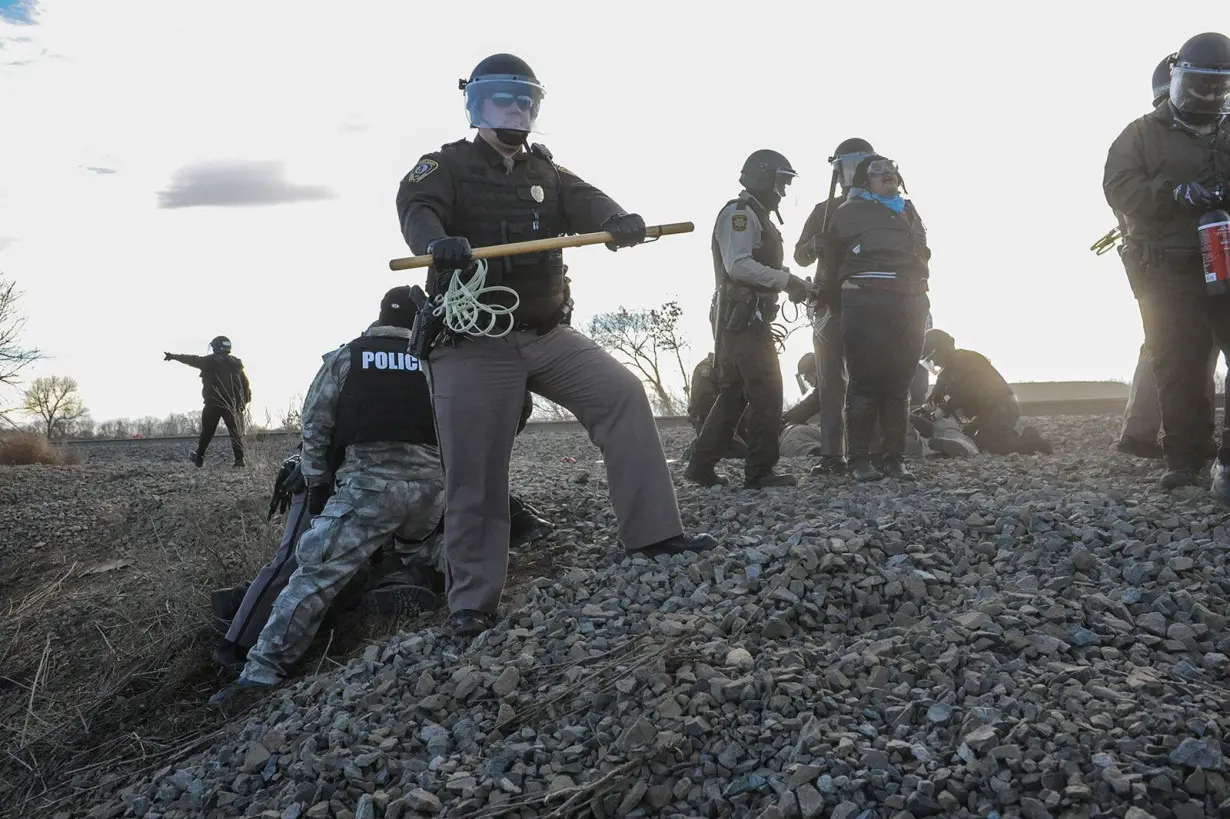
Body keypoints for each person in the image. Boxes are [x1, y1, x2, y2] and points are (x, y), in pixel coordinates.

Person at [395, 53, 717, 638]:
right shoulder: (441, 166)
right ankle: (472, 598)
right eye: (502, 99)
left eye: (525, 100)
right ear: (476, 104)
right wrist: (436, 242)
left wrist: (621, 221)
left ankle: (654, 533)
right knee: (475, 468)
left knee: (621, 394)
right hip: (471, 343)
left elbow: (588, 200)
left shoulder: (545, 171)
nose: (515, 110)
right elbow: (416, 210)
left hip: (547, 335)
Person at [209, 287, 453, 704]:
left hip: (367, 493)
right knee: (427, 550)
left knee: (314, 575)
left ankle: (260, 672)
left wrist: (318, 482)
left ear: (378, 317)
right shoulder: (439, 359)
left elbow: (315, 426)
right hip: (433, 493)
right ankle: (465, 609)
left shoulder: (347, 356)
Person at [1104, 31, 1230, 495]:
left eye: (1219, 87)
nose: (1209, 94)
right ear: (1178, 80)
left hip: (1226, 261)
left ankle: (1229, 461)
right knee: (1178, 364)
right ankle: (1184, 458)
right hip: (1167, 269)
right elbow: (1119, 187)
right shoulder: (1140, 134)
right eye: (1199, 84)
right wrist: (1172, 193)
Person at [683, 149, 811, 490]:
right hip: (742, 314)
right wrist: (788, 281)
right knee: (768, 390)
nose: (782, 191)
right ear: (763, 178)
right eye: (779, 182)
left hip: (746, 314)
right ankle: (759, 471)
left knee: (735, 393)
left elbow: (755, 264)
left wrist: (792, 280)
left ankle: (700, 465)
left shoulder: (756, 215)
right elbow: (738, 265)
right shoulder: (740, 214)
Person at [813, 155, 931, 482]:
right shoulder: (846, 212)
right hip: (864, 298)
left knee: (899, 383)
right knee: (864, 383)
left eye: (893, 170)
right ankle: (859, 460)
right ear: (865, 180)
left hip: (909, 300)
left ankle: (894, 459)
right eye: (879, 171)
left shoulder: (907, 210)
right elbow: (830, 262)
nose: (888, 175)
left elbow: (924, 251)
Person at [793, 137, 877, 475]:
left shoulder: (885, 209)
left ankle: (870, 452)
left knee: (870, 381)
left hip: (872, 306)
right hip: (830, 305)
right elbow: (800, 255)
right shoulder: (822, 211)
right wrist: (815, 244)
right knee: (830, 382)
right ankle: (833, 455)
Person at [921, 329, 1053, 455]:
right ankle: (1007, 434)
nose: (934, 363)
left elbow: (965, 391)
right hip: (987, 411)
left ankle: (1029, 439)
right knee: (970, 436)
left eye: (933, 357)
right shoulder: (947, 371)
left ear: (942, 350)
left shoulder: (966, 360)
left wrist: (943, 411)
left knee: (989, 444)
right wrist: (926, 408)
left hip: (1003, 406)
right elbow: (936, 394)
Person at [164, 336, 251, 467]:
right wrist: (243, 403)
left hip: (213, 403)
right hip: (233, 404)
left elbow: (192, 359)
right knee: (235, 433)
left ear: (216, 346)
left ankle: (199, 458)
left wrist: (173, 356)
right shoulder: (236, 363)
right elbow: (245, 384)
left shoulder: (210, 361)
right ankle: (240, 460)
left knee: (207, 432)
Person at [684, 352, 749, 461]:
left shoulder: (728, 368)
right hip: (709, 419)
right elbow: (705, 402)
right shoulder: (707, 368)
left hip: (726, 418)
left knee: (750, 448)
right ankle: (698, 448)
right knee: (740, 451)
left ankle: (706, 445)